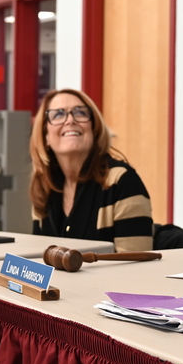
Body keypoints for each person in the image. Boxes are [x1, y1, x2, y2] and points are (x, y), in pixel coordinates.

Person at [30, 88, 154, 253]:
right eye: (58, 114)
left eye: (80, 112)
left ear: (94, 130)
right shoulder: (45, 185)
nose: (70, 120)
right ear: (45, 136)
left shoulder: (122, 181)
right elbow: (40, 260)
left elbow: (136, 266)